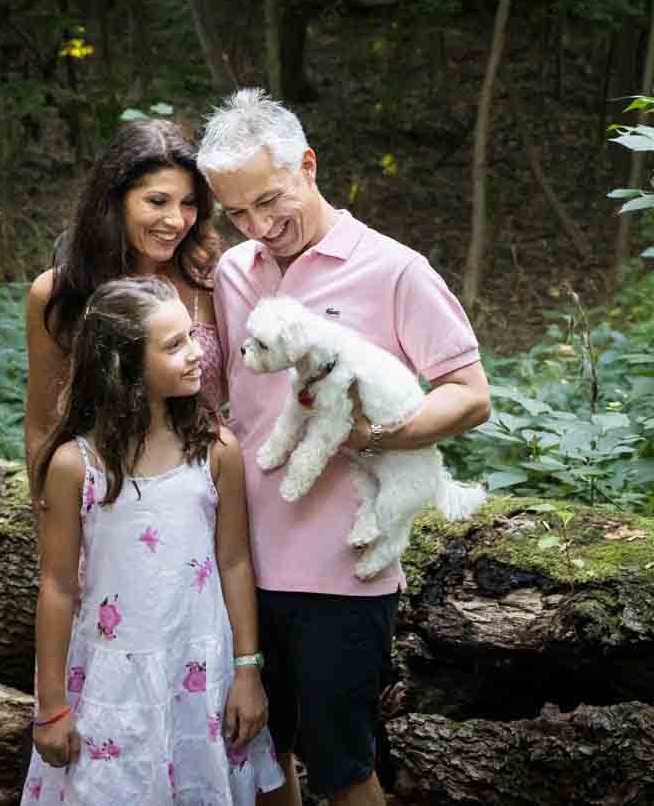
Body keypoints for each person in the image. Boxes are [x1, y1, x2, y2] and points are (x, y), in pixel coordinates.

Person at [197, 89, 491, 806]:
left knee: (344, 768)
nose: (259, 226)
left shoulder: (393, 268)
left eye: (270, 200)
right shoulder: (233, 274)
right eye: (237, 212)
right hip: (237, 561)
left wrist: (377, 435)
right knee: (260, 759)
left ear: (308, 163)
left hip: (343, 575)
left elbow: (470, 394)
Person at [23, 275, 284, 805]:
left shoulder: (215, 450)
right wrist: (50, 706)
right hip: (110, 680)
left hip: (199, 674)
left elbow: (234, 563)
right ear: (122, 365)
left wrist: (248, 671)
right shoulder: (78, 465)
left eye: (191, 336)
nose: (195, 354)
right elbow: (56, 585)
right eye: (174, 345)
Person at [25, 120, 224, 493]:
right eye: (157, 201)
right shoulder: (59, 291)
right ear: (115, 199)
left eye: (189, 203)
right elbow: (42, 426)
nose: (176, 220)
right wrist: (52, 522)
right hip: (103, 507)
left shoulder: (214, 282)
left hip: (202, 499)